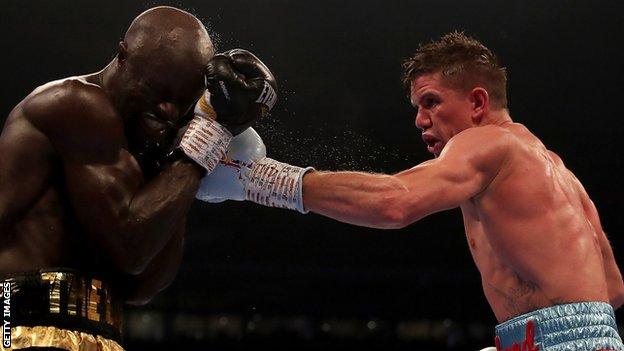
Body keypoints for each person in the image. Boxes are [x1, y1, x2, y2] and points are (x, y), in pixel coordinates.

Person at [197, 31, 624, 351]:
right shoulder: (556, 168)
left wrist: (259, 179)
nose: (420, 120)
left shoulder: (486, 143)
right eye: (417, 108)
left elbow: (394, 202)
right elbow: (612, 288)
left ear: (478, 103)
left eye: (432, 102)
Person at [0, 6, 276, 351]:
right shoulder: (76, 105)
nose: (168, 111)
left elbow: (142, 285)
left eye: (182, 101)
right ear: (122, 57)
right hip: (21, 326)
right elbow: (132, 247)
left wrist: (177, 156)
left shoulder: (141, 151)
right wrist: (209, 137)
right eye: (158, 91)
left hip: (92, 332)